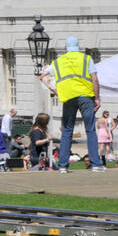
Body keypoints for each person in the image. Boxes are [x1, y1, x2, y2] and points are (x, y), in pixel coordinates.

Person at [38, 35, 105, 173]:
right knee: (90, 130)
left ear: (66, 48)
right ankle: (96, 164)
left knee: (67, 131)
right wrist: (97, 99)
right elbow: (95, 80)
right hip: (86, 96)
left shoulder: (58, 61)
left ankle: (63, 165)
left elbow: (42, 76)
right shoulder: (86, 59)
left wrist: (54, 90)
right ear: (78, 47)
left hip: (68, 98)